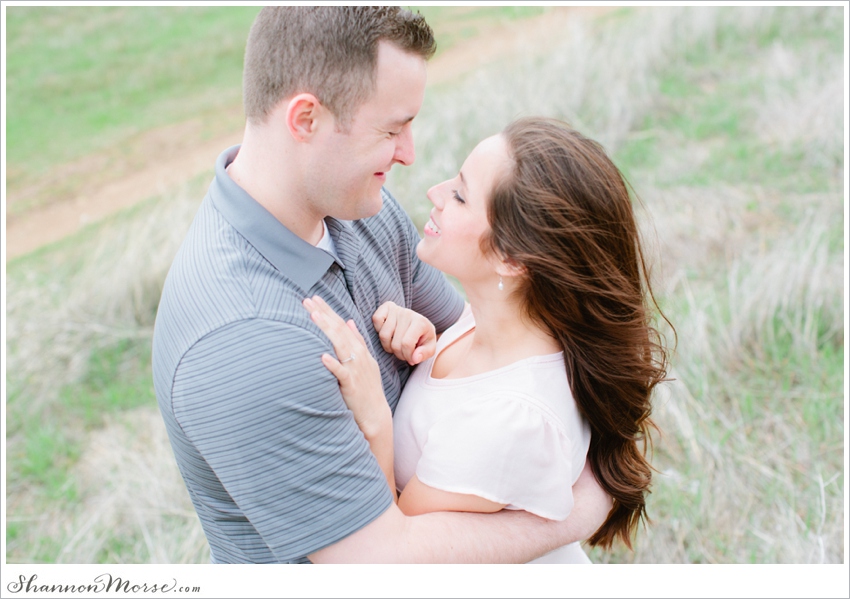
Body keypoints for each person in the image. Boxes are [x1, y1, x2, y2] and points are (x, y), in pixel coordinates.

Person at [152, 7, 611, 564]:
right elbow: (378, 565)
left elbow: (489, 356)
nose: (409, 153)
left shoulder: (360, 209)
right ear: (306, 119)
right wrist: (580, 507)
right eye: (392, 129)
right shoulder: (243, 341)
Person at [304, 117, 672, 563]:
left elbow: (392, 561)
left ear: (511, 258)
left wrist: (375, 419)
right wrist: (429, 338)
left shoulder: (509, 420)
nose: (434, 194)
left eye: (459, 195)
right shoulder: (495, 325)